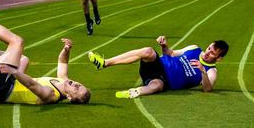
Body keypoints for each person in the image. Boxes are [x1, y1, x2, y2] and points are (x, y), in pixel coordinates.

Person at [0, 0, 90, 105]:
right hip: (11, 83)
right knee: (24, 59)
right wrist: (67, 49)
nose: (77, 85)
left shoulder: (51, 95)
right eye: (81, 85)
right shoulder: (63, 81)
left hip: (1, 90)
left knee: (17, 42)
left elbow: (31, 84)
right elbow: (62, 62)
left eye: (77, 90)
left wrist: (13, 71)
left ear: (68, 97)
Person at [87, 36, 228, 99]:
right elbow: (171, 54)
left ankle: (133, 92)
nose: (207, 52)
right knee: (148, 51)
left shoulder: (211, 71)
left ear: (219, 58)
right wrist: (164, 46)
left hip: (165, 81)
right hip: (159, 65)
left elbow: (207, 89)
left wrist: (203, 71)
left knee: (157, 86)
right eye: (209, 48)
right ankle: (105, 63)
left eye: (212, 53)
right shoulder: (194, 49)